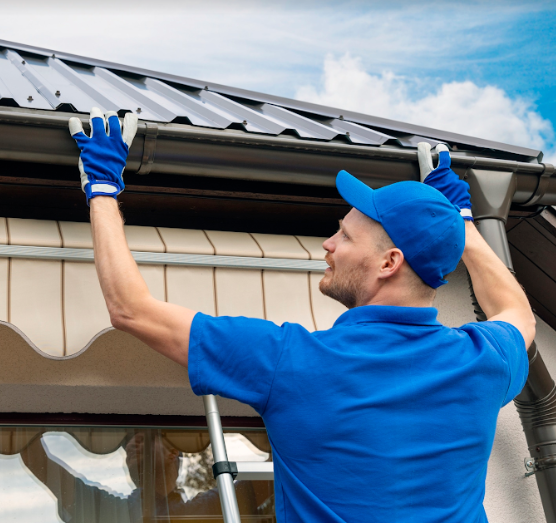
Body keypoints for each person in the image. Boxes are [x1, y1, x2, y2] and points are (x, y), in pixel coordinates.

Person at [67, 108, 534, 522]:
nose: (328, 245)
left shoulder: (292, 362)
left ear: (389, 263)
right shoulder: (483, 361)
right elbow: (518, 314)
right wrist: (463, 225)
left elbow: (131, 310)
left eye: (345, 236)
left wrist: (102, 187)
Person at [19, 430, 263, 523]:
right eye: (126, 443)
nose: (131, 444)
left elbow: (272, 479)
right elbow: (36, 460)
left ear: (173, 451)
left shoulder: (203, 512)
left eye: (144, 436)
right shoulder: (110, 513)